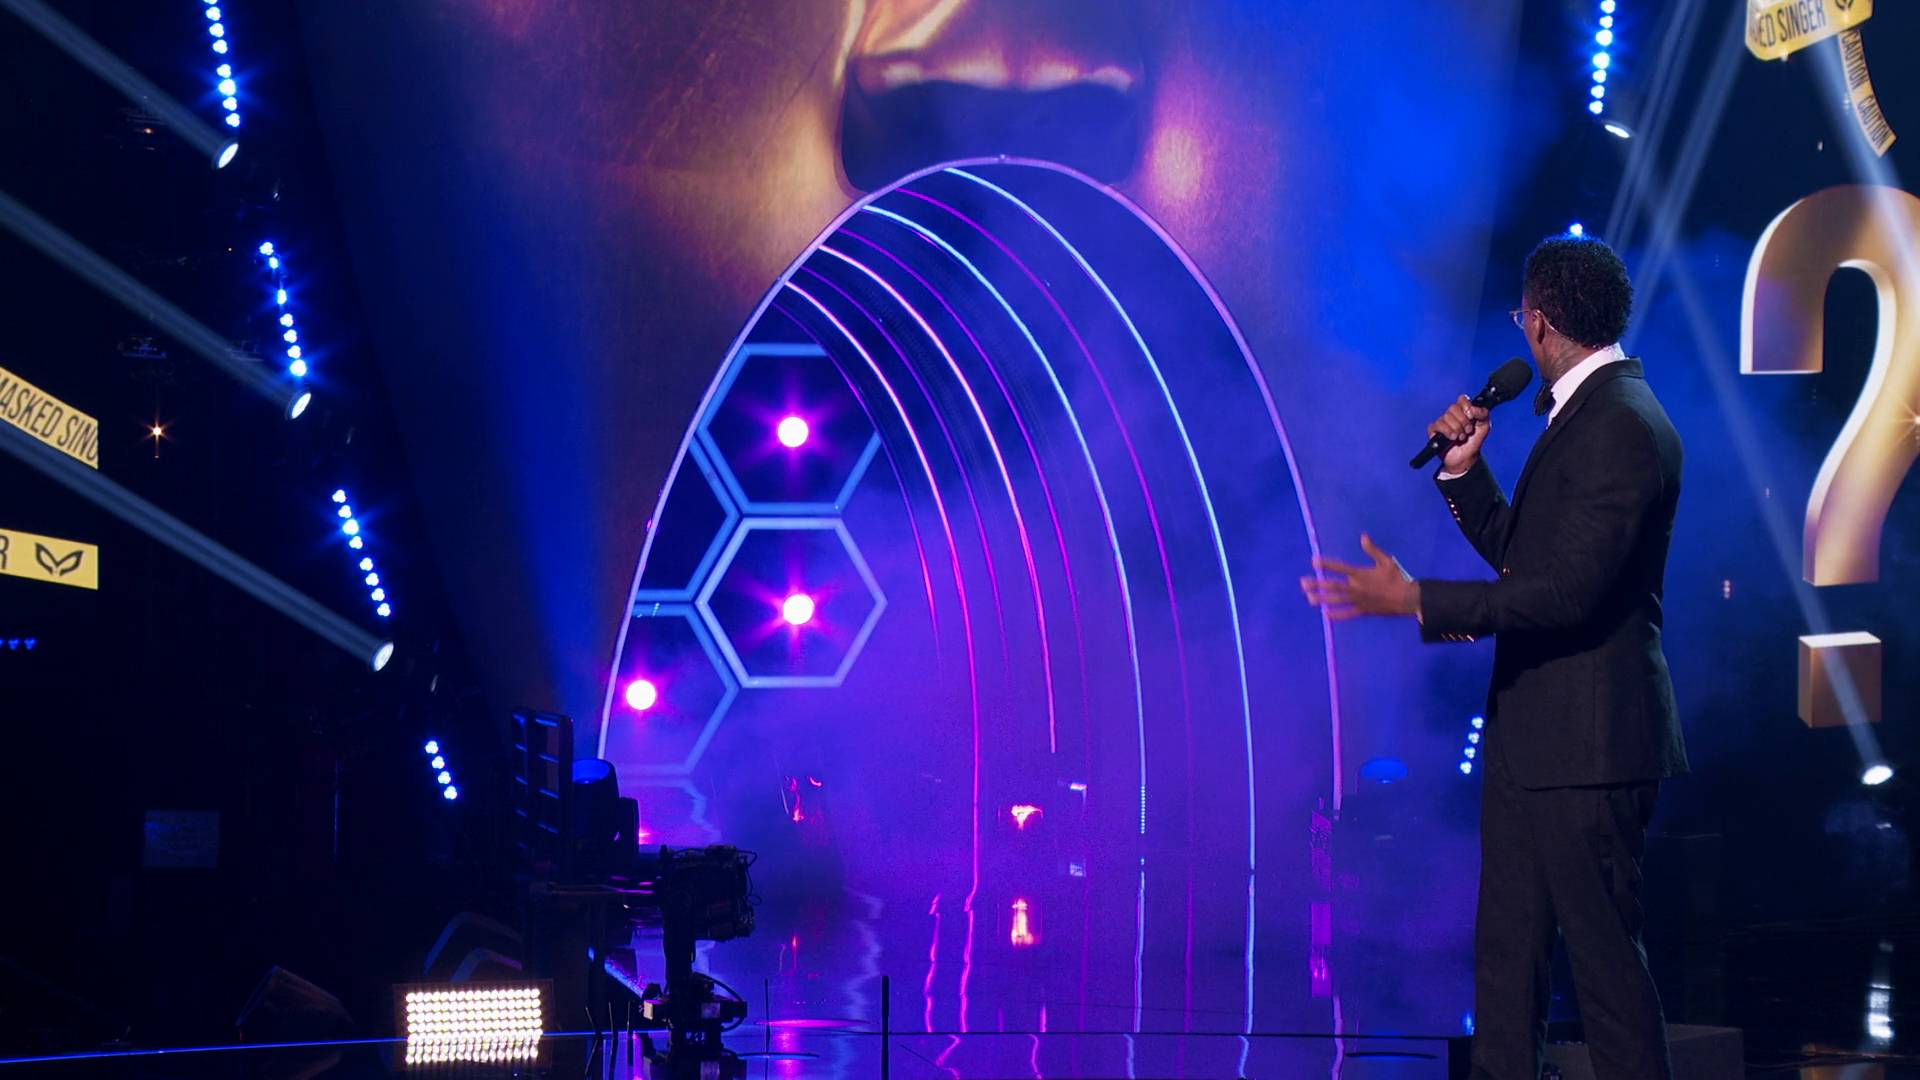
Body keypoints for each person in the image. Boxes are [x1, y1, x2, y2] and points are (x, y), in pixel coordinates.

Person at [1300, 235, 1687, 1080]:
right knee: (1507, 967)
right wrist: (1465, 473)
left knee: (1606, 974)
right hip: (1536, 741)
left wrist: (1418, 600)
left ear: (1539, 321)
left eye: (1522, 318)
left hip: (1589, 750)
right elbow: (1530, 562)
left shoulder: (1622, 424)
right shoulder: (1588, 416)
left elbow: (1566, 596)